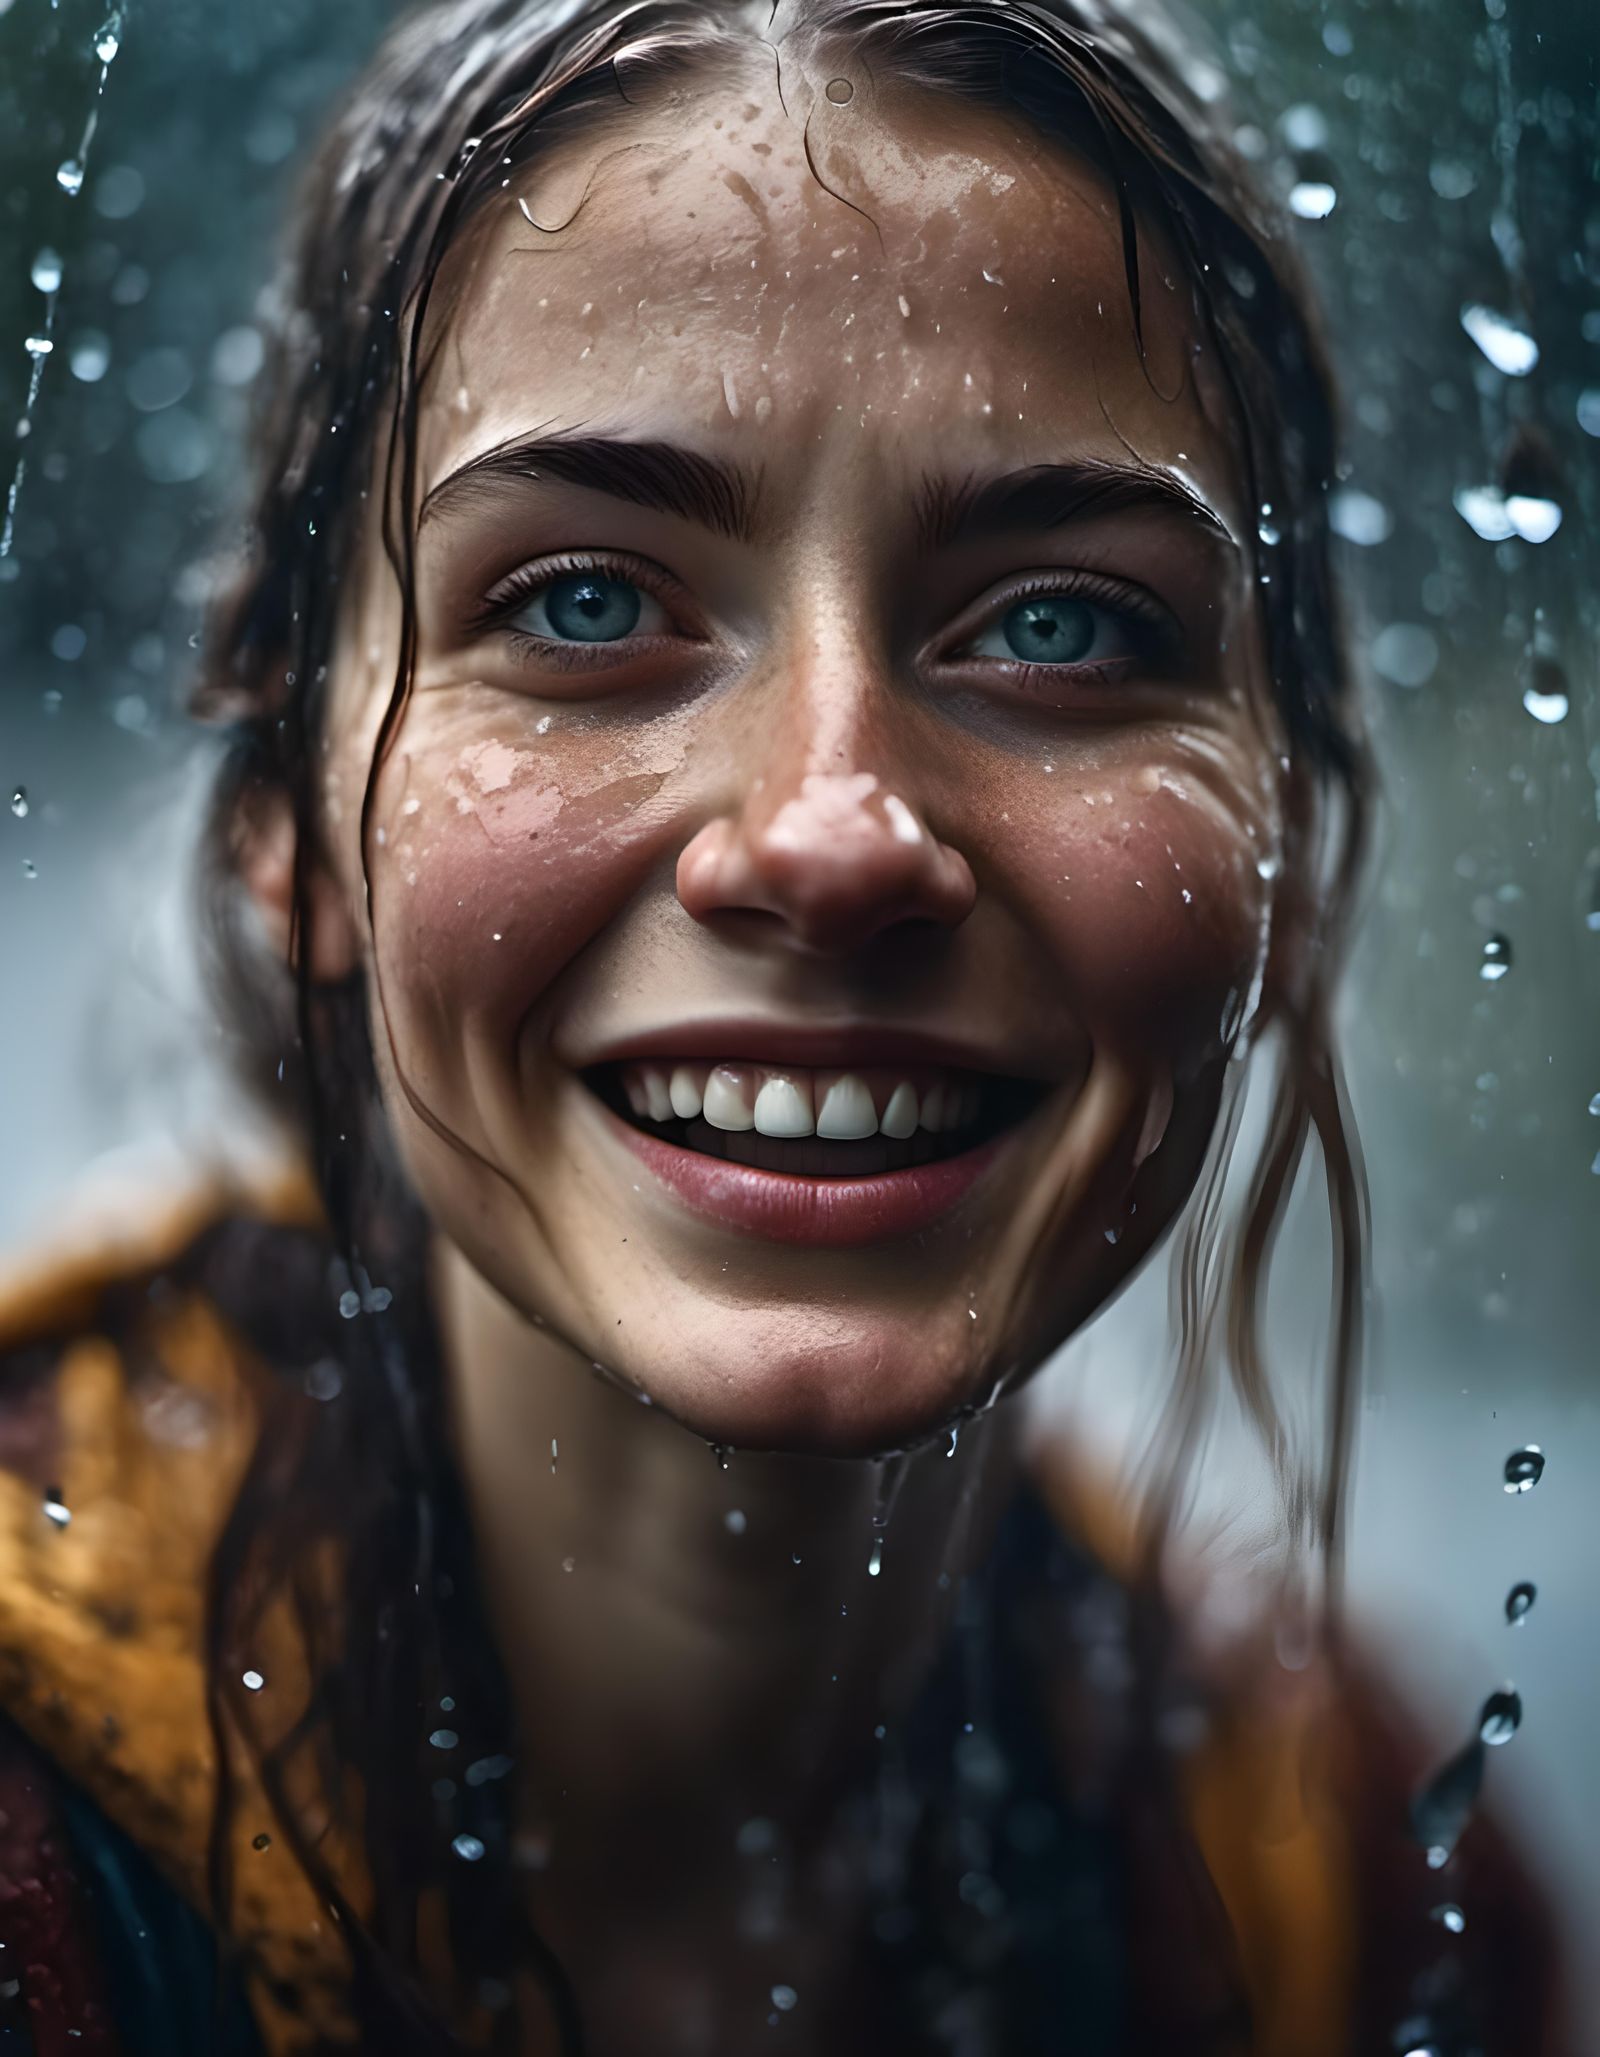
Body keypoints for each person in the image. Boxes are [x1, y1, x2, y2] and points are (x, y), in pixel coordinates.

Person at [0, 0, 1566, 2051]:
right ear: (293, 828)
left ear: (1293, 847)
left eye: (1060, 623)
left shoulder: (1357, 1890)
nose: (830, 835)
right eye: (578, 603)